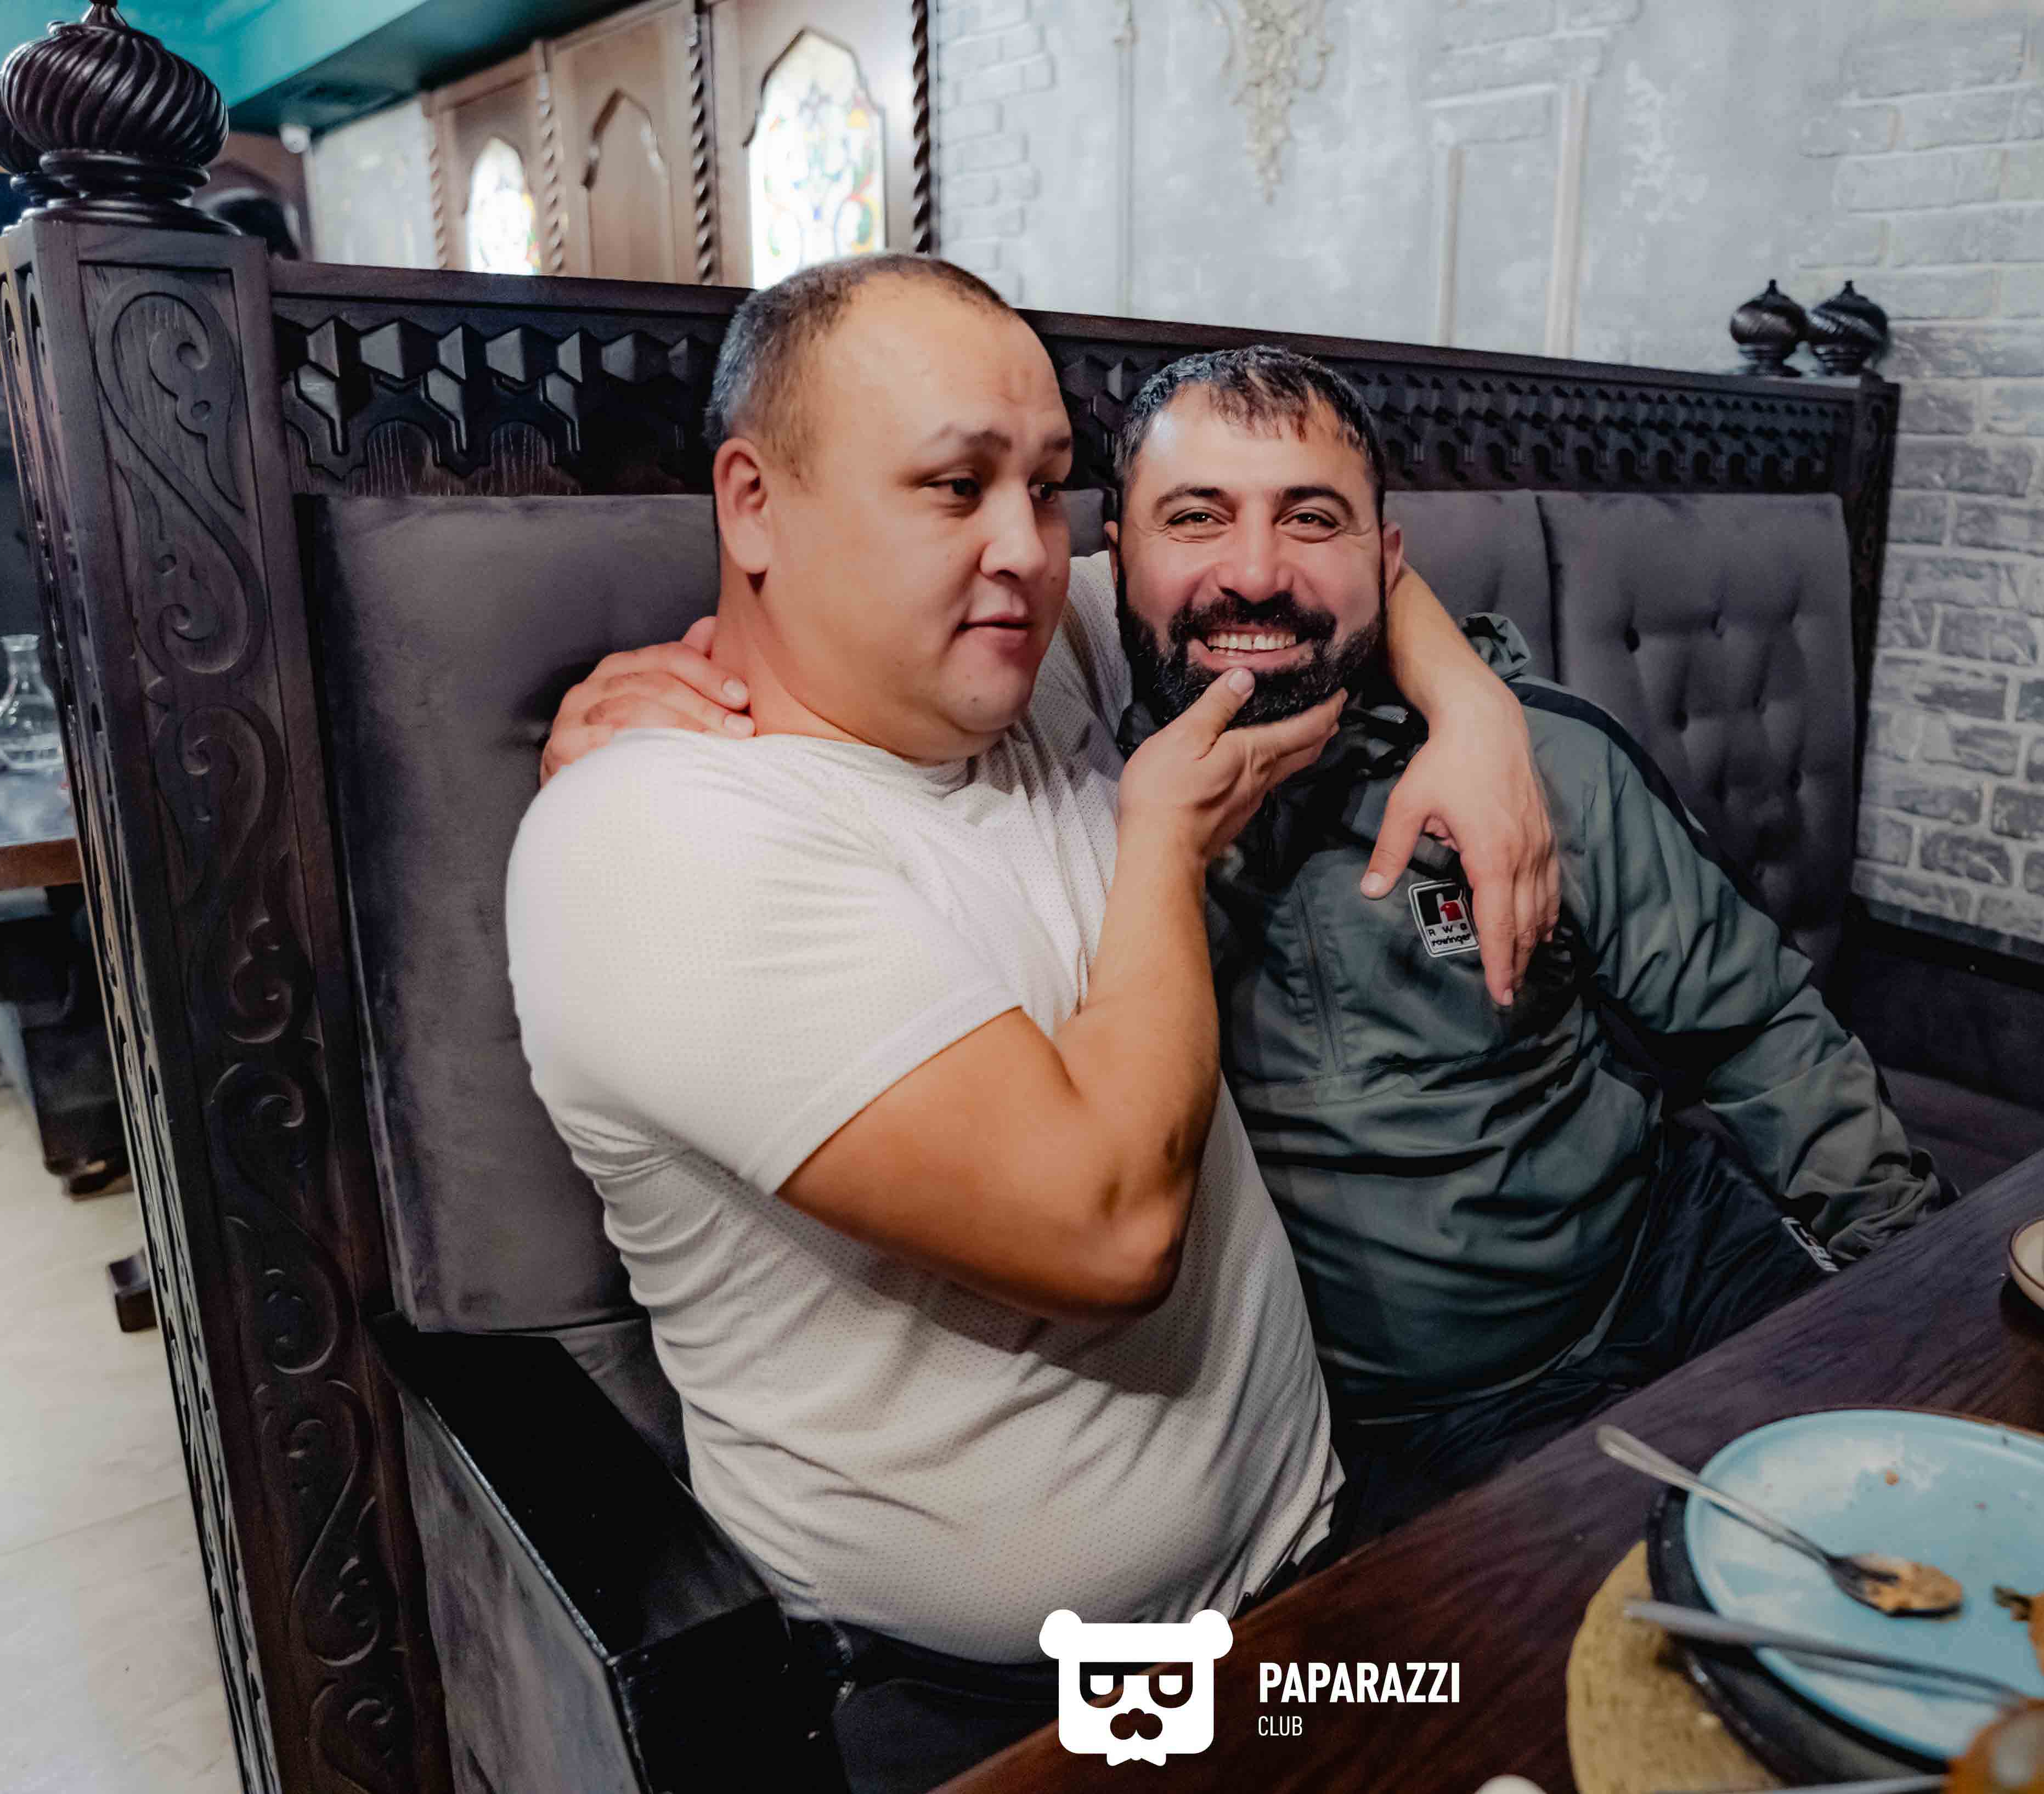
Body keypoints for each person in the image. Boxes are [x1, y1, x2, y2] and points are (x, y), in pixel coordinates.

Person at [550, 342, 1958, 1544]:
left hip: (1678, 1264)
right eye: (1196, 517)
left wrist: (1924, 1287)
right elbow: (844, 663)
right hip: (1393, 1431)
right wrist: (659, 724)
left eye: (1311, 520)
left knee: (1925, 1516)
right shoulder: (1060, 795)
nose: (1253, 572)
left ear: (1385, 561)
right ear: (1110, 565)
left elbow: (1759, 1033)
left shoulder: (1533, 768)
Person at [505, 258, 1555, 1794]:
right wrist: (1156, 847)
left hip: (1316, 1556)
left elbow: (1305, 575)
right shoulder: (657, 838)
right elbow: (1104, 1227)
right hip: (1014, 1704)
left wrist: (1477, 715)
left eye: (1049, 488)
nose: (1027, 551)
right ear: (753, 506)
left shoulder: (1014, 653)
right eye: (954, 487)